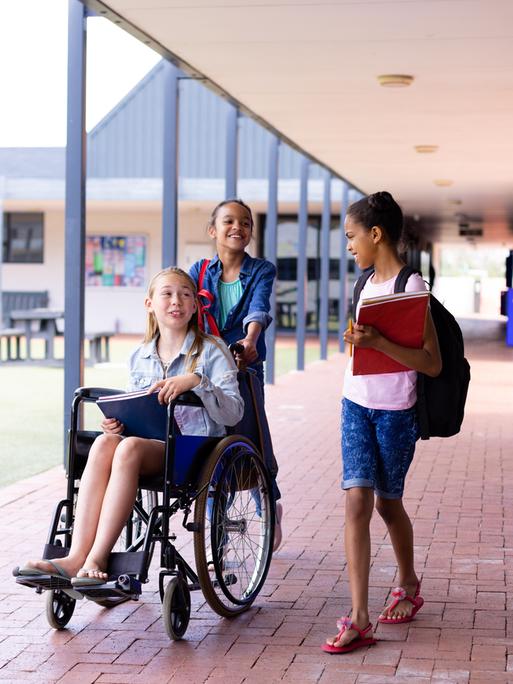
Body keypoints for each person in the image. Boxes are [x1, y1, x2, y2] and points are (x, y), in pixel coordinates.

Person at [17, 267, 243, 585]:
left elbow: (234, 412)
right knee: (106, 442)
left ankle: (97, 558)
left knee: (129, 448)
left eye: (185, 294)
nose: (176, 300)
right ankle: (75, 556)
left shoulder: (212, 351)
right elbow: (138, 408)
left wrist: (197, 381)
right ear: (149, 303)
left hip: (196, 450)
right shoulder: (140, 355)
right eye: (166, 293)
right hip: (148, 444)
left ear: (195, 305)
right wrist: (118, 422)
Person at [322, 191, 442, 654]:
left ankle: (409, 583)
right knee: (356, 500)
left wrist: (379, 341)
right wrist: (356, 339)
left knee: (388, 505)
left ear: (376, 235)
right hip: (355, 403)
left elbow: (430, 363)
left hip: (396, 412)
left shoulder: (412, 288)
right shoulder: (363, 285)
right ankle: (359, 617)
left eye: (352, 237)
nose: (349, 246)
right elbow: (360, 349)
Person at [189, 199, 283, 550]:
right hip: (208, 369)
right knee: (212, 440)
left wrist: (251, 339)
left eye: (245, 223)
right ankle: (216, 517)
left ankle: (267, 507)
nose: (238, 227)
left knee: (253, 437)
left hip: (245, 367)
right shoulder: (198, 271)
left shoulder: (261, 269)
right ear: (213, 230)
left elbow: (259, 307)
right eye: (228, 221)